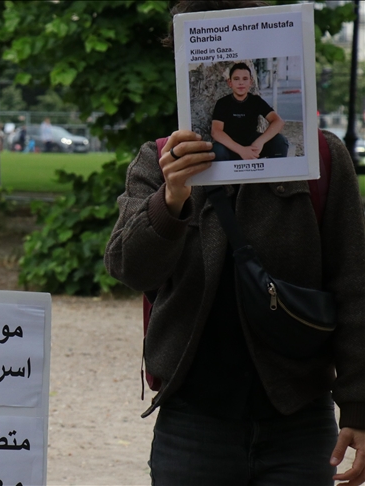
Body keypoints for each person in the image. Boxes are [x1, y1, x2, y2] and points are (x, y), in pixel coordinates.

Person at [104, 2, 365, 485]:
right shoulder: (159, 158)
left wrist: (358, 403)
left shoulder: (324, 158)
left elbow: (354, 286)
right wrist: (173, 197)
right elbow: (127, 267)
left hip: (297, 418)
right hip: (193, 419)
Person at [211, 62, 289, 161]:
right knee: (216, 150)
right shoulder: (222, 103)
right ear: (229, 83)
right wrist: (242, 151)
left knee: (280, 141)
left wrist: (260, 142)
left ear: (250, 82)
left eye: (245, 79)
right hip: (231, 147)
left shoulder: (256, 101)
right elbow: (216, 132)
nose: (241, 83)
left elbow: (278, 121)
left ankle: (274, 174)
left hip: (253, 146)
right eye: (236, 79)